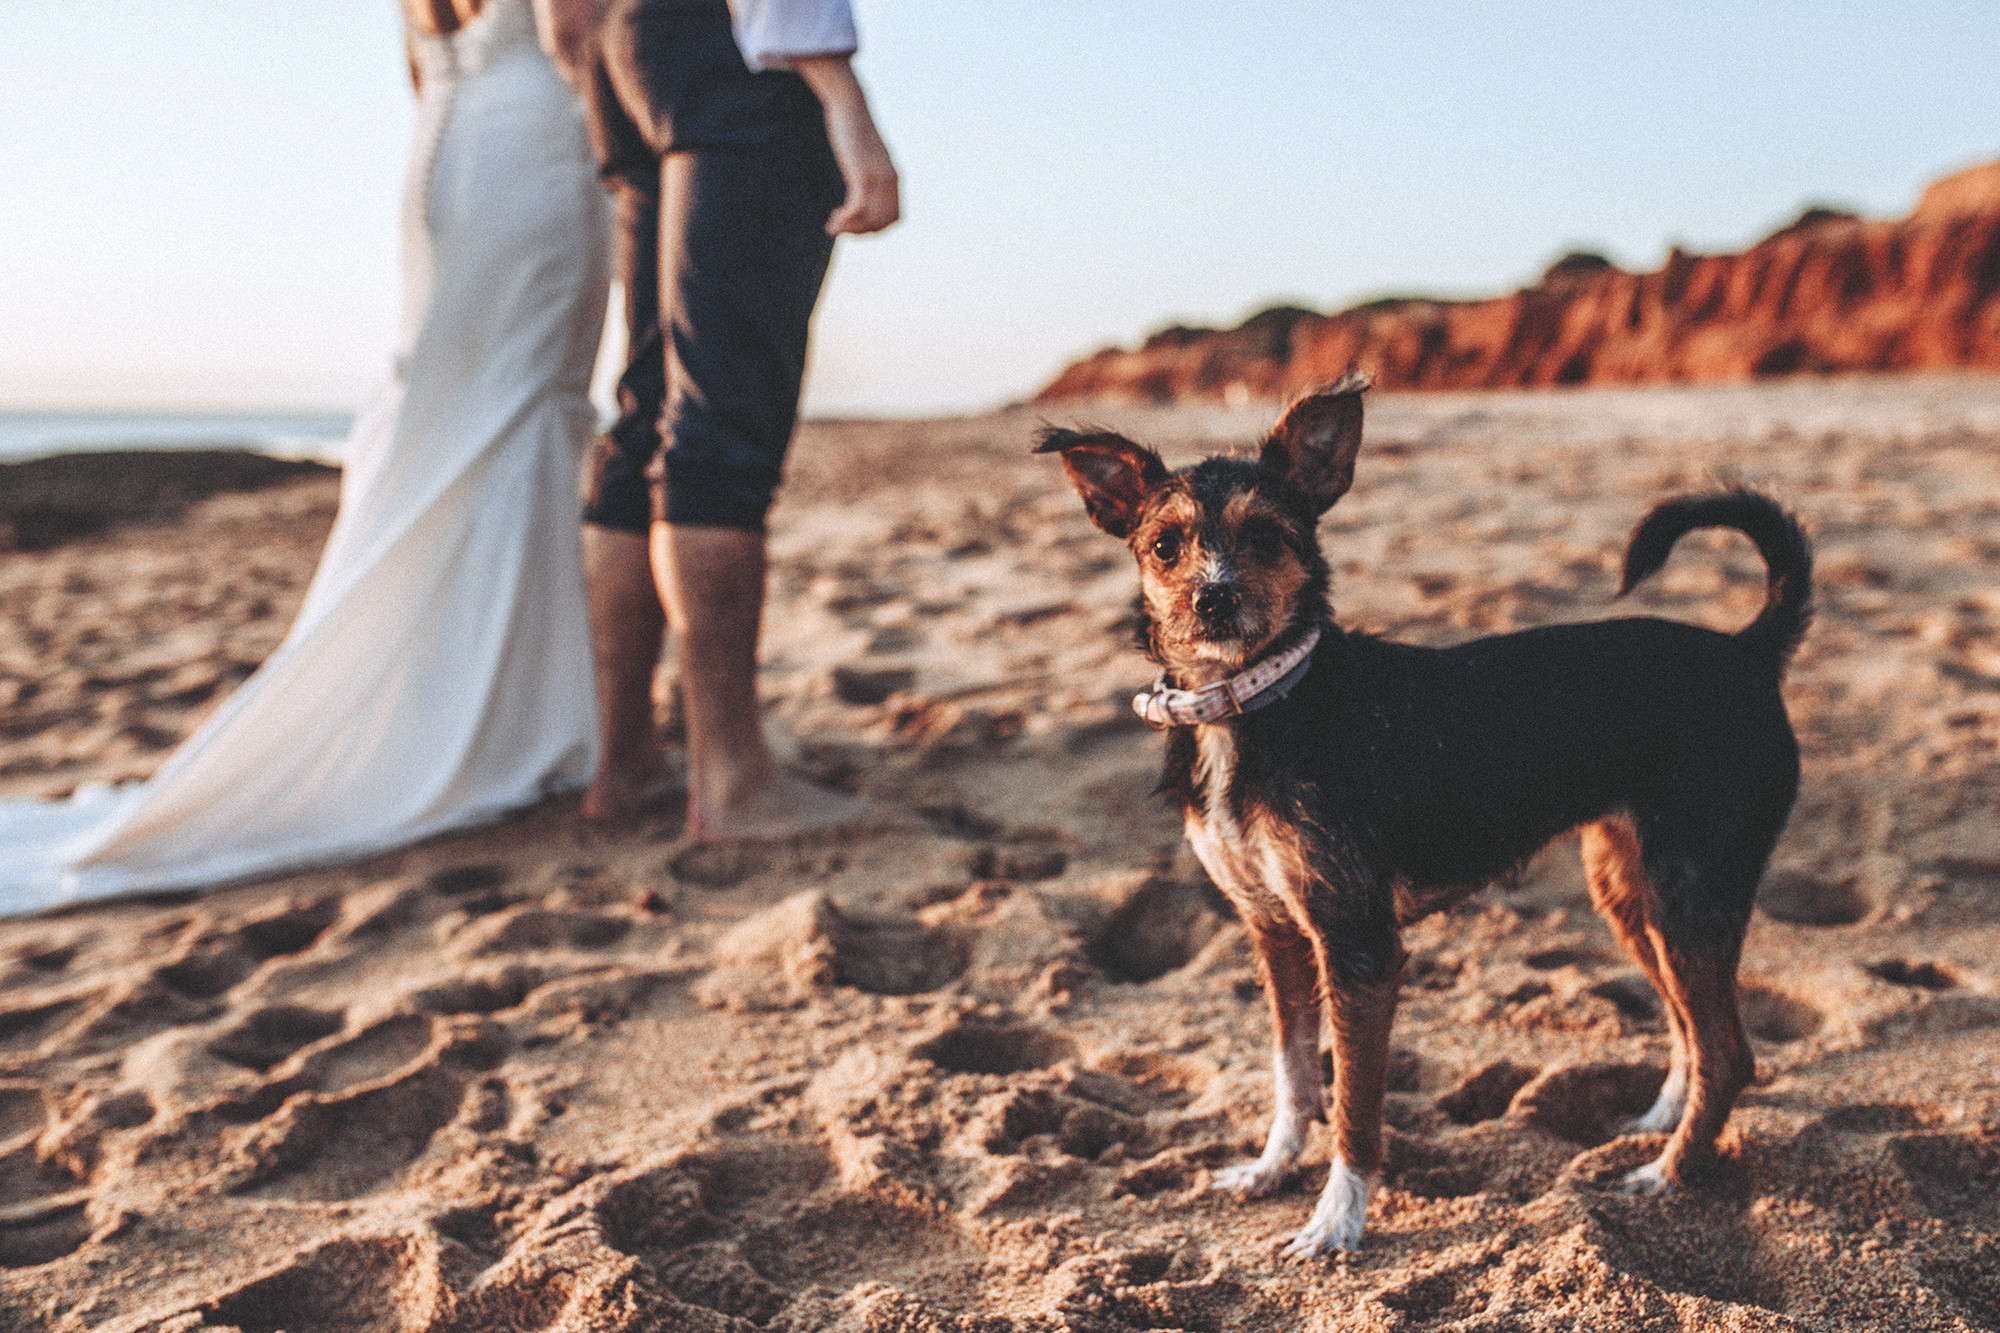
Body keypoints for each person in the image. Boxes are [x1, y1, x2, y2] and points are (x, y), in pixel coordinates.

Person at [0, 0, 611, 912]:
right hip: (542, 142)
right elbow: (576, 35)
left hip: (450, 148)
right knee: (517, 409)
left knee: (446, 410)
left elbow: (419, 69)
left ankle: (460, 707)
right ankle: (500, 722)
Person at [564, 0, 899, 840]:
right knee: (720, 421)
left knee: (646, 408)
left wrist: (598, 72)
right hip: (731, 51)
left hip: (623, 47)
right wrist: (844, 97)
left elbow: (560, 24)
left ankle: (629, 758)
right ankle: (732, 779)